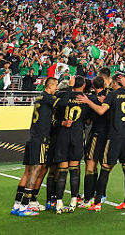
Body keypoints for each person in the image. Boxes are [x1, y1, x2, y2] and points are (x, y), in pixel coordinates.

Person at [83, 73, 125, 211]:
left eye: (112, 83)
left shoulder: (112, 95)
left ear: (115, 83)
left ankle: (98, 202)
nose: (111, 85)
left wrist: (89, 102)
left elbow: (101, 111)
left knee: (105, 168)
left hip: (114, 137)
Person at [10, 77, 59, 217]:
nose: (56, 89)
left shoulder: (39, 98)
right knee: (35, 171)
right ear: (50, 86)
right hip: (40, 140)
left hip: (32, 137)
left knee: (27, 172)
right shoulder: (47, 97)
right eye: (55, 86)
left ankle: (17, 205)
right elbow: (62, 103)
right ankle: (25, 206)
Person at [49, 76, 89, 214]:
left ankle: (59, 203)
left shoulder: (61, 95)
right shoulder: (86, 98)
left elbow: (57, 113)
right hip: (77, 135)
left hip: (63, 135)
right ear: (83, 85)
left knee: (62, 170)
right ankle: (73, 201)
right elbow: (89, 120)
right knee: (74, 169)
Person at [80, 70, 110, 208]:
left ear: (93, 84)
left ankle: (88, 199)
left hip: (97, 134)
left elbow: (87, 120)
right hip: (108, 136)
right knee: (99, 165)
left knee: (90, 166)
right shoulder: (110, 97)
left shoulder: (91, 98)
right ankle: (100, 194)